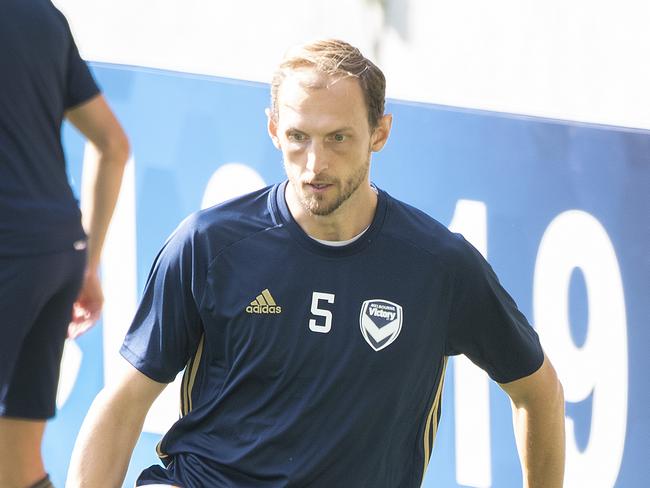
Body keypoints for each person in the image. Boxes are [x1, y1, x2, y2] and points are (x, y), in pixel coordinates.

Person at [67, 39, 564, 487]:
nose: (314, 164)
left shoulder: (440, 266)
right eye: (298, 136)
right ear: (273, 129)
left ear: (380, 132)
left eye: (338, 138)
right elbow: (122, 405)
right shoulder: (209, 244)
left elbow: (538, 392)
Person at [0, 1, 130, 487]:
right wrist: (88, 266)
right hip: (57, 256)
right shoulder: (40, 12)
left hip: (9, 252)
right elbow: (114, 145)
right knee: (16, 457)